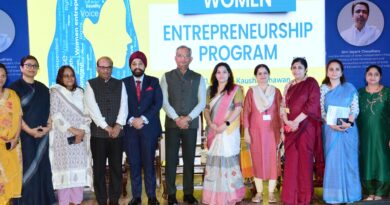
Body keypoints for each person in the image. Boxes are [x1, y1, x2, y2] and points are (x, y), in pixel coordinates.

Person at [161, 45, 206, 205]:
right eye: (180, 55)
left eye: (186, 56)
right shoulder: (166, 77)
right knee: (171, 160)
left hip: (191, 125)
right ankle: (171, 194)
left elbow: (202, 102)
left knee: (189, 160)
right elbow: (164, 102)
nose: (183, 59)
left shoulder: (199, 77)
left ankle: (188, 193)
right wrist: (177, 118)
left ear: (191, 59)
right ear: (175, 58)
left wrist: (187, 118)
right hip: (172, 125)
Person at [9, 55, 56, 204]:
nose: (31, 68)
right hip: (23, 136)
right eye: (28, 65)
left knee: (42, 168)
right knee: (26, 168)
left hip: (42, 136)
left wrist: (48, 127)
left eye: (34, 66)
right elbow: (15, 114)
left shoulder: (43, 88)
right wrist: (29, 130)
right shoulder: (14, 89)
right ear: (21, 68)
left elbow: (50, 110)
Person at [84, 56, 128, 205]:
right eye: (102, 67)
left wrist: (118, 125)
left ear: (112, 68)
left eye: (108, 67)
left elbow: (124, 106)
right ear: (97, 68)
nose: (105, 70)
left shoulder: (120, 84)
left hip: (117, 134)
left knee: (116, 168)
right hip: (98, 135)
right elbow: (92, 108)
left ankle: (114, 199)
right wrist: (106, 127)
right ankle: (102, 199)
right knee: (99, 169)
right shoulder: (90, 84)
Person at [280, 57, 324, 205]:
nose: (296, 70)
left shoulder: (311, 83)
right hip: (291, 129)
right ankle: (290, 197)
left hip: (306, 128)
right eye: (294, 67)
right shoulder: (288, 86)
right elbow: (283, 107)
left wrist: (295, 122)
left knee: (305, 162)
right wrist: (287, 121)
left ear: (306, 69)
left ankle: (304, 197)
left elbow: (312, 105)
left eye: (299, 67)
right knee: (291, 162)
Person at [202, 62, 245, 205]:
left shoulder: (235, 89)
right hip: (213, 129)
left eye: (224, 72)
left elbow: (238, 109)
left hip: (229, 131)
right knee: (215, 161)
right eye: (218, 72)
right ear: (215, 75)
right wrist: (211, 124)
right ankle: (214, 196)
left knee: (229, 160)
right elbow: (206, 109)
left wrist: (225, 124)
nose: (221, 75)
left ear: (229, 74)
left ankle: (231, 195)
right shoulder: (210, 90)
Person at [49, 65, 93, 205]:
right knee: (65, 175)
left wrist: (82, 131)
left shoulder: (81, 92)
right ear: (60, 78)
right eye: (66, 75)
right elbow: (56, 115)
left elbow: (87, 113)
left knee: (78, 174)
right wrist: (73, 130)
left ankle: (77, 202)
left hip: (80, 139)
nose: (69, 78)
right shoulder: (55, 91)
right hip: (62, 139)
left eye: (72, 75)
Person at [122, 51, 162, 205]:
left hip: (149, 129)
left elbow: (157, 103)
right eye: (134, 64)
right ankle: (136, 196)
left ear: (145, 65)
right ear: (130, 66)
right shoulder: (123, 83)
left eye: (140, 64)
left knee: (148, 163)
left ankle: (152, 196)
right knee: (134, 163)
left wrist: (143, 119)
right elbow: (121, 106)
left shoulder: (154, 82)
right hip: (130, 130)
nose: (137, 67)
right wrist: (131, 120)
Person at [320, 59, 361, 203]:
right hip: (330, 131)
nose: (334, 72)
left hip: (348, 131)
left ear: (342, 72)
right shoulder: (323, 88)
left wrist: (348, 123)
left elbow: (355, 109)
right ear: (327, 72)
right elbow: (321, 111)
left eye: (337, 69)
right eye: (331, 69)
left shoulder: (349, 87)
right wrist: (331, 124)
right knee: (333, 162)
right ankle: (334, 196)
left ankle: (351, 194)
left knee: (349, 162)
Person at [243, 64, 282, 203]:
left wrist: (282, 131)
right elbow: (246, 113)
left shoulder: (276, 92)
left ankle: (271, 193)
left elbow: (280, 112)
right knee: (257, 161)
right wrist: (246, 132)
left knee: (273, 161)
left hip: (272, 132)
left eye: (265, 73)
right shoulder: (251, 92)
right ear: (256, 76)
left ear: (269, 74)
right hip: (255, 132)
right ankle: (259, 193)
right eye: (259, 73)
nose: (262, 75)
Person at [357, 65, 390, 201]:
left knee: (382, 160)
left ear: (380, 76)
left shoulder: (387, 92)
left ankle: (381, 192)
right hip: (363, 134)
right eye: (370, 74)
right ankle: (369, 192)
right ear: (365, 76)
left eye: (376, 74)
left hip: (383, 134)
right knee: (367, 159)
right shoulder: (359, 93)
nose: (372, 77)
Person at [0, 63, 22, 204]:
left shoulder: (12, 94)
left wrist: (16, 138)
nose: (0, 78)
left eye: (3, 75)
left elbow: (19, 118)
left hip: (11, 145)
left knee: (9, 183)